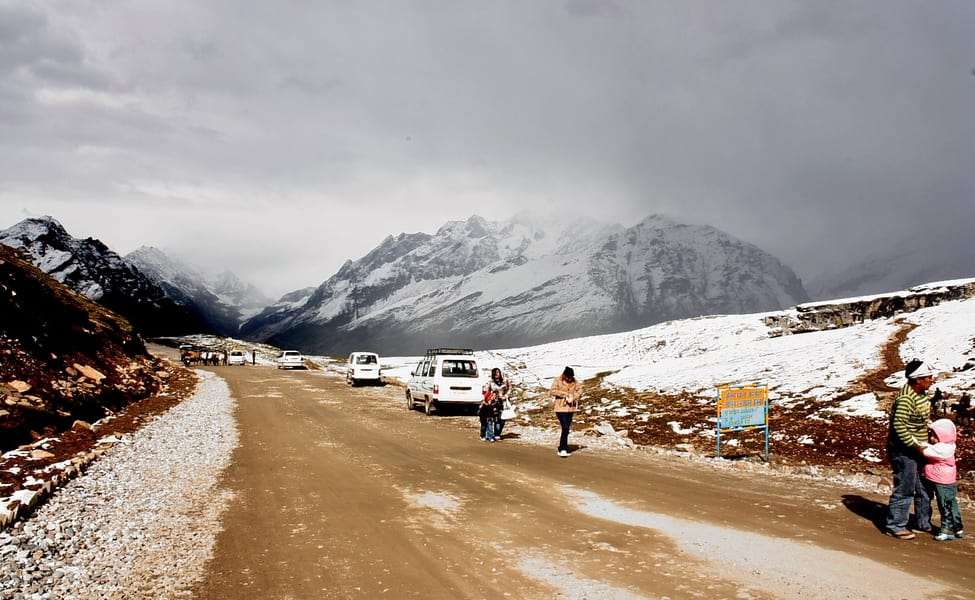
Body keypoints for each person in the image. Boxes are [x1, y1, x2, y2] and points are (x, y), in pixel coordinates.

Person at [885, 358, 935, 540]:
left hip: (920, 447)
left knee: (923, 486)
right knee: (905, 486)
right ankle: (895, 525)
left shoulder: (921, 395)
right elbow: (900, 427)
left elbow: (918, 422)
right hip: (904, 450)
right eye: (928, 377)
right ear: (918, 379)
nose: (932, 380)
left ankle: (923, 522)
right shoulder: (906, 399)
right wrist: (916, 446)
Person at [922, 419, 965, 541]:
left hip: (943, 481)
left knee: (945, 505)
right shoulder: (949, 445)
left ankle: (947, 530)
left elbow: (925, 450)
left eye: (933, 435)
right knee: (951, 504)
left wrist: (915, 442)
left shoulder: (943, 449)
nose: (931, 438)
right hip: (946, 480)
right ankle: (957, 527)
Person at [550, 366, 581, 458]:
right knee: (565, 427)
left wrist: (573, 397)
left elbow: (580, 391)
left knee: (566, 428)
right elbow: (552, 391)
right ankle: (563, 448)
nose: (569, 379)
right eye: (568, 377)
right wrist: (564, 394)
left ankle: (563, 446)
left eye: (571, 377)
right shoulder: (557, 380)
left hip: (570, 408)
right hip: (560, 407)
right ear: (564, 375)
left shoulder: (575, 381)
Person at [485, 368, 511, 440]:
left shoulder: (505, 381)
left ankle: (498, 432)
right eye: (495, 373)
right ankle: (493, 434)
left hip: (503, 401)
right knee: (494, 417)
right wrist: (489, 398)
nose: (496, 374)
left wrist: (506, 395)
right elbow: (487, 391)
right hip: (494, 402)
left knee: (502, 418)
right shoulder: (490, 382)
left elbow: (509, 389)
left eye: (498, 372)